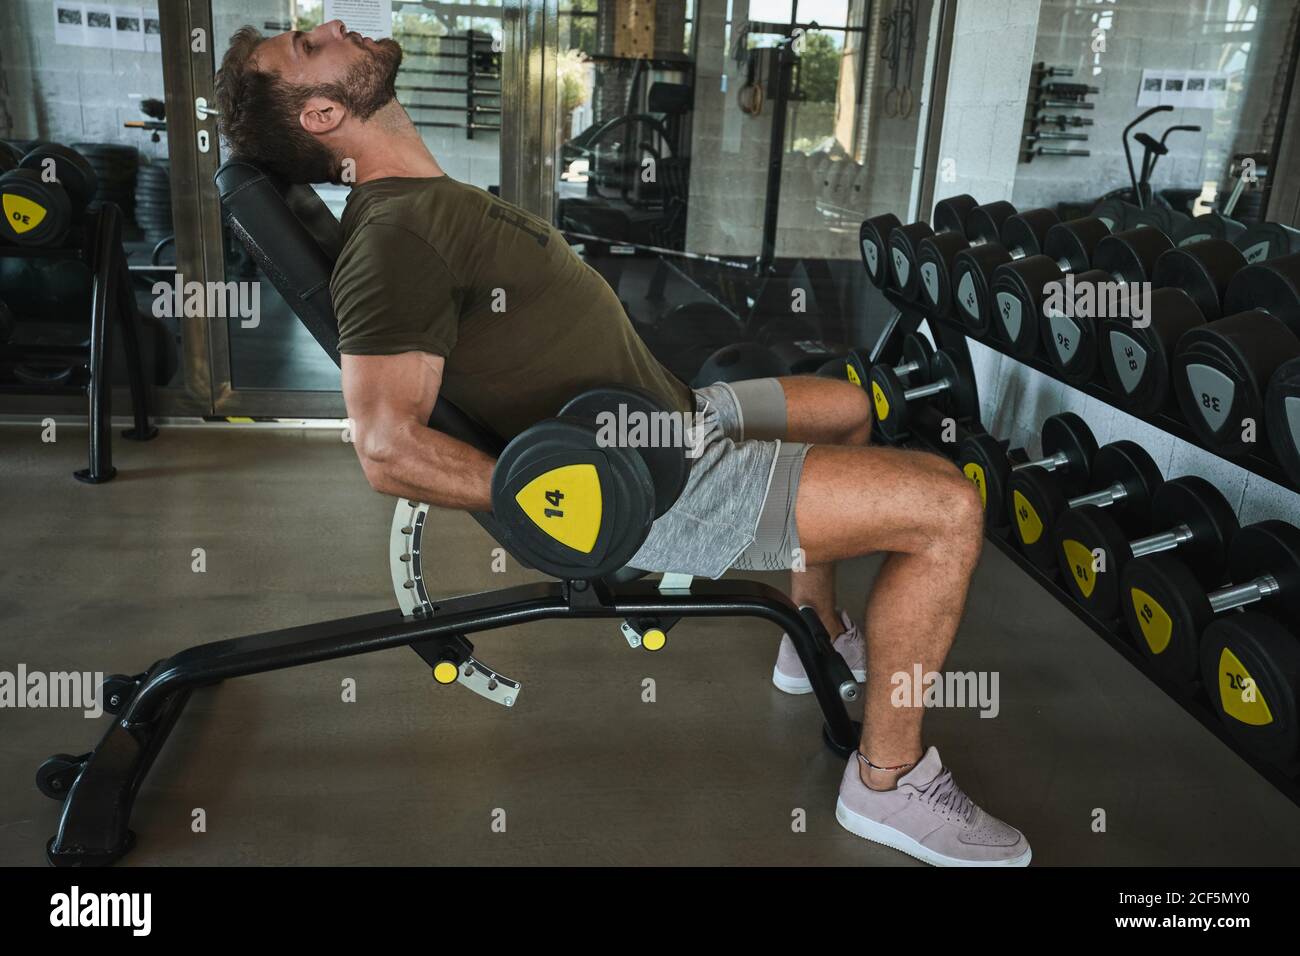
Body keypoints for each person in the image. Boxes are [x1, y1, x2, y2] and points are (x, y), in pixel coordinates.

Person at [214, 19, 1030, 866]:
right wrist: (562, 498)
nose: (330, 26)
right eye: (307, 47)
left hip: (673, 416)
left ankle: (815, 632)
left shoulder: (422, 199)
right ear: (320, 117)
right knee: (948, 508)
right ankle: (888, 782)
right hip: (665, 479)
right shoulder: (396, 241)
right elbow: (386, 448)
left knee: (844, 407)